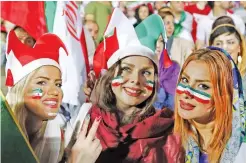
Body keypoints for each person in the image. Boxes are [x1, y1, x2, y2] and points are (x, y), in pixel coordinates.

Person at [88, 8, 182, 162]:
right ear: (111, 75)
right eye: (126, 69)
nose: (136, 80)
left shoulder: (168, 132)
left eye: (146, 73)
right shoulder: (87, 122)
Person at [5, 30, 102, 163]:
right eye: (41, 82)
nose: (55, 91)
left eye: (58, 84)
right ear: (20, 89)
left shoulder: (56, 134)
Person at [174, 47, 246, 162]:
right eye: (185, 80)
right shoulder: (170, 140)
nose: (187, 93)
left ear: (225, 94)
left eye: (203, 86)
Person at [135, 14, 180, 110]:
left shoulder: (173, 68)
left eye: (161, 41)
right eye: (154, 41)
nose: (158, 45)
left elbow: (174, 105)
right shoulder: (135, 69)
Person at [209, 23, 246, 103]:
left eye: (230, 42)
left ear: (239, 47)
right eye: (218, 43)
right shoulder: (204, 75)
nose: (224, 47)